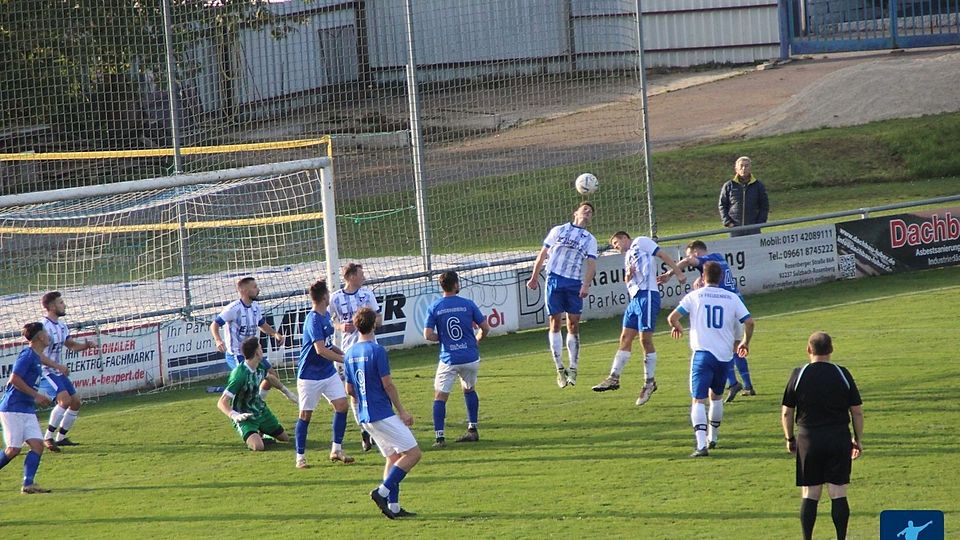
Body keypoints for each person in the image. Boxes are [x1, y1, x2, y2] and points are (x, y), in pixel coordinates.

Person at [781, 332, 864, 540]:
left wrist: (790, 439)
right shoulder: (842, 373)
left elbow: (787, 412)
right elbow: (857, 411)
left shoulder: (798, 374)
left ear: (809, 349)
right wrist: (857, 439)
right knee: (838, 492)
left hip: (809, 439)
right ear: (831, 349)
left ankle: (807, 538)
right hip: (838, 438)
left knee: (810, 493)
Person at [667, 261, 754, 457]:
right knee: (716, 397)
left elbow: (672, 317)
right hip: (724, 357)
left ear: (703, 277)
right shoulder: (731, 297)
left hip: (703, 355)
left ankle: (700, 445)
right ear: (721, 277)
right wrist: (745, 343)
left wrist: (677, 327)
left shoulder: (695, 296)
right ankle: (713, 437)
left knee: (698, 400)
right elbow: (749, 321)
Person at [344, 307, 421, 520]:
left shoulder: (349, 353)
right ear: (374, 324)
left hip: (365, 416)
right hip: (381, 413)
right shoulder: (377, 351)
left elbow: (350, 390)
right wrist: (402, 412)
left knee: (394, 457)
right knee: (413, 453)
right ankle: (382, 492)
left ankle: (394, 508)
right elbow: (388, 385)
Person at [592, 232, 686, 406]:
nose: (615, 246)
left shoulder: (640, 242)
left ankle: (649, 382)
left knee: (645, 340)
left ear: (624, 238)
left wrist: (677, 273)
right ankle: (614, 377)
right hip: (635, 299)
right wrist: (628, 276)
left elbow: (662, 255)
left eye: (615, 242)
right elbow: (629, 279)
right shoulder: (628, 256)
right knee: (625, 338)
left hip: (648, 295)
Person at [672, 240, 756, 401]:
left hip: (725, 308)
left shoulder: (706, 261)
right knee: (736, 347)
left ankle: (732, 383)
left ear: (696, 252)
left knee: (723, 348)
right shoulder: (719, 257)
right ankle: (747, 385)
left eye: (690, 254)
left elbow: (689, 261)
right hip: (737, 306)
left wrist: (671, 273)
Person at [526, 201, 598, 388]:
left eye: (591, 211)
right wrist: (534, 277)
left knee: (573, 324)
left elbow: (591, 264)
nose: (588, 212)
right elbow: (542, 254)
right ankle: (559, 369)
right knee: (555, 322)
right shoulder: (559, 230)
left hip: (574, 282)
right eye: (585, 209)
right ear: (576, 212)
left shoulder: (590, 239)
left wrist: (586, 285)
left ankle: (573, 368)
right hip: (554, 279)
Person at [424, 271, 491, 448]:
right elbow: (485, 327)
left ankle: (439, 438)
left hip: (449, 358)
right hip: (470, 356)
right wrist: (477, 339)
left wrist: (443, 338)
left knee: (440, 396)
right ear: (455, 285)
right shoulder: (468, 304)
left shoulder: (435, 307)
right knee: (469, 389)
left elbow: (428, 335)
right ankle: (473, 429)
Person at [295, 280, 355, 469]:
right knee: (305, 416)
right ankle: (300, 457)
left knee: (342, 405)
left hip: (328, 373)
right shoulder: (312, 319)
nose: (330, 297)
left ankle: (336, 449)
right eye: (328, 294)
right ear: (324, 297)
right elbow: (320, 350)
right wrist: (343, 360)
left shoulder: (326, 315)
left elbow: (328, 345)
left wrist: (343, 354)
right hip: (309, 375)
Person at [210, 276, 293, 402]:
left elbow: (262, 324)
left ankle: (259, 401)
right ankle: (235, 405)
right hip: (237, 354)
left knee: (272, 375)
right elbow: (214, 324)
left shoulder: (255, 307)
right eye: (254, 287)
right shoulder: (233, 309)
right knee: (248, 382)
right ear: (245, 291)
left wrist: (275, 333)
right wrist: (218, 340)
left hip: (253, 353)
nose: (258, 289)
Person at [328, 262, 381, 452]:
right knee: (353, 393)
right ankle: (364, 431)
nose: (364, 276)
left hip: (370, 349)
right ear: (350, 277)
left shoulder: (368, 295)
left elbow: (380, 319)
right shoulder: (335, 298)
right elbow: (326, 322)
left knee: (377, 388)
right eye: (360, 274)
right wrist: (340, 327)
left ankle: (377, 428)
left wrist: (369, 323)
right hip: (347, 354)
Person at [0, 323, 55, 493]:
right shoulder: (27, 355)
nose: (48, 335)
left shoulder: (36, 356)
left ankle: (28, 484)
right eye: (45, 332)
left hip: (26, 409)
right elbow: (14, 379)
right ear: (40, 336)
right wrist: (36, 395)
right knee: (13, 450)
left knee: (38, 446)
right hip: (13, 408)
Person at [39, 291, 96, 451]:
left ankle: (61, 438)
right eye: (61, 302)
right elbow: (38, 355)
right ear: (51, 306)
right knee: (64, 400)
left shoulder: (62, 326)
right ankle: (48, 438)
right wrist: (58, 367)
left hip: (57, 370)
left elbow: (70, 345)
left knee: (76, 402)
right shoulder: (42, 327)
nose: (64, 305)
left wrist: (86, 346)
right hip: (45, 370)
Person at [216, 337, 292, 451]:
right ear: (256, 352)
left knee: (285, 438)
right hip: (245, 417)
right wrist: (235, 415)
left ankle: (262, 432)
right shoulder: (239, 375)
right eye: (261, 348)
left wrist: (287, 392)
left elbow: (270, 378)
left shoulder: (260, 366)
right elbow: (222, 402)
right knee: (258, 447)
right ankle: (256, 436)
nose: (262, 351)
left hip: (261, 411)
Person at [719, 156, 769, 236]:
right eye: (741, 166)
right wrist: (728, 222)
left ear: (750, 168)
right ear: (736, 169)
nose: (744, 168)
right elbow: (722, 205)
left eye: (746, 166)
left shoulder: (758, 186)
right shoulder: (728, 186)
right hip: (735, 228)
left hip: (753, 229)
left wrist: (760, 223)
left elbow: (764, 206)